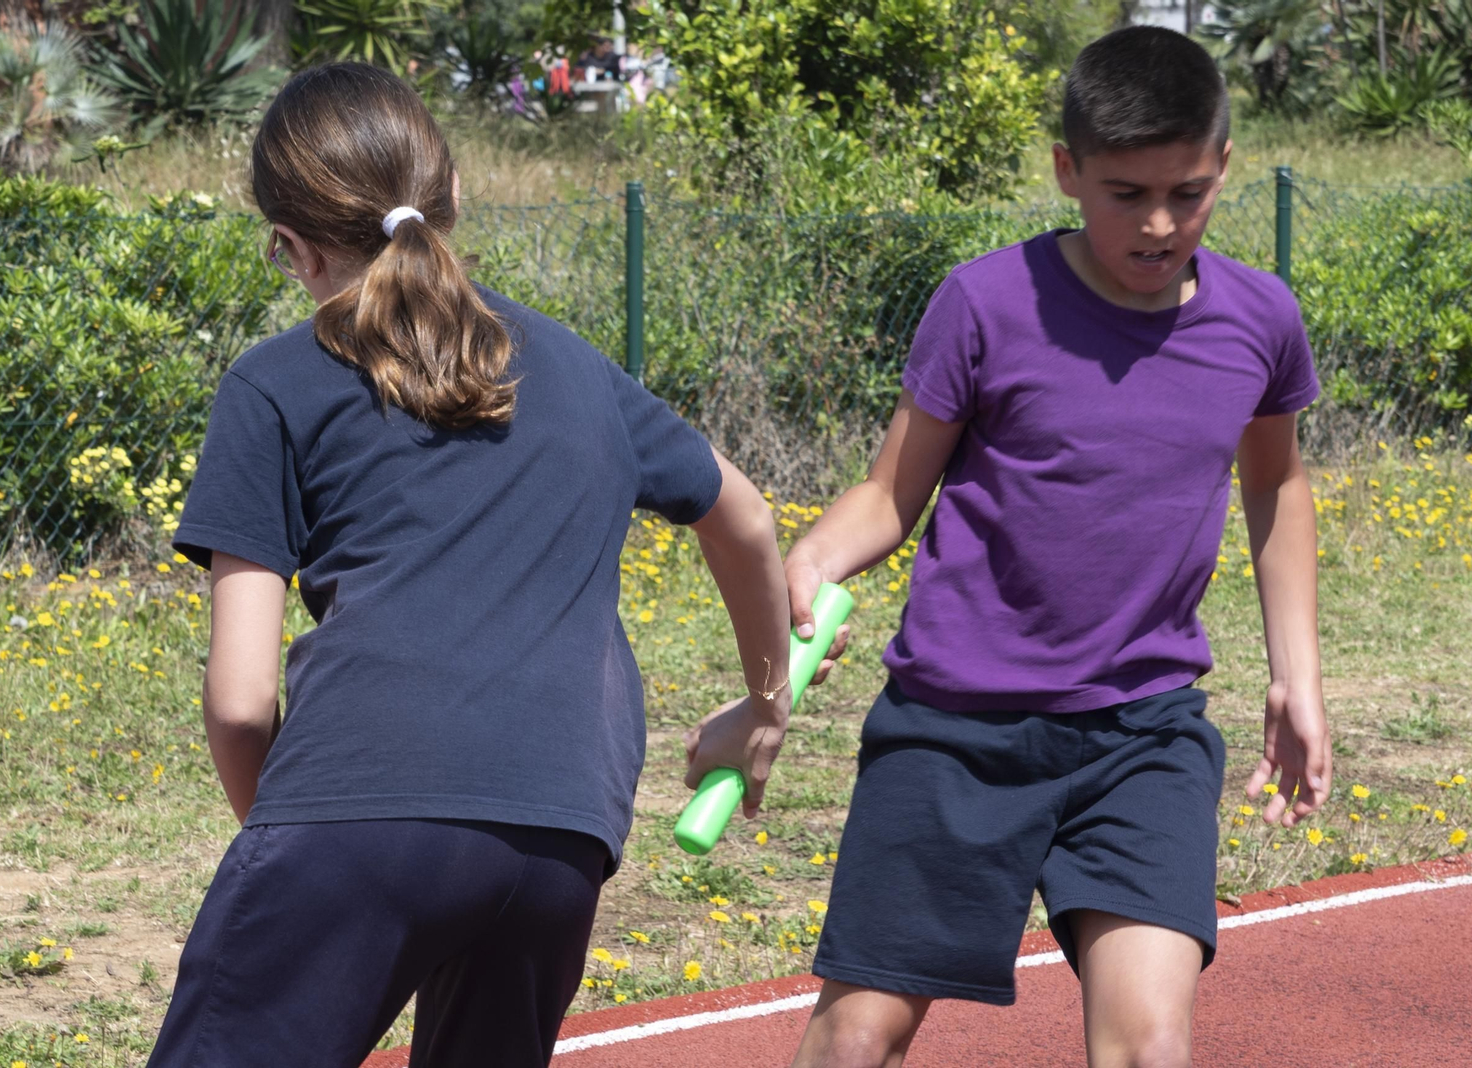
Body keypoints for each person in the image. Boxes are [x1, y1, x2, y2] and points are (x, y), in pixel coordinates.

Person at [145, 62, 792, 1068]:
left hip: (355, 808)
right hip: (561, 829)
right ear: (451, 202)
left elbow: (237, 701)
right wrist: (764, 701)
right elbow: (744, 518)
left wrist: (304, 840)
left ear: (291, 244)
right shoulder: (578, 367)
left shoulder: (274, 383)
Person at [783, 26, 1330, 1068]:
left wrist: (1296, 679)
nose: (1161, 224)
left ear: (1223, 167)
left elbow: (1276, 483)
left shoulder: (1259, 318)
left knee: (1149, 1045)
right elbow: (890, 493)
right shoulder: (986, 301)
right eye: (1127, 194)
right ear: (1067, 171)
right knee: (857, 1038)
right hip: (954, 729)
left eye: (1189, 191)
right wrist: (813, 559)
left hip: (1142, 733)